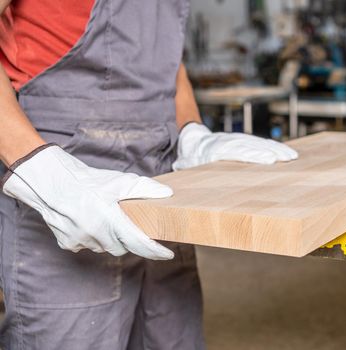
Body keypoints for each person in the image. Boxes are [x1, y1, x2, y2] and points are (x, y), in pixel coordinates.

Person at [0, 0, 298, 348]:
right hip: (68, 176)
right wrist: (37, 166)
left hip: (159, 176)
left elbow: (167, 58)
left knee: (172, 335)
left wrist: (190, 130)